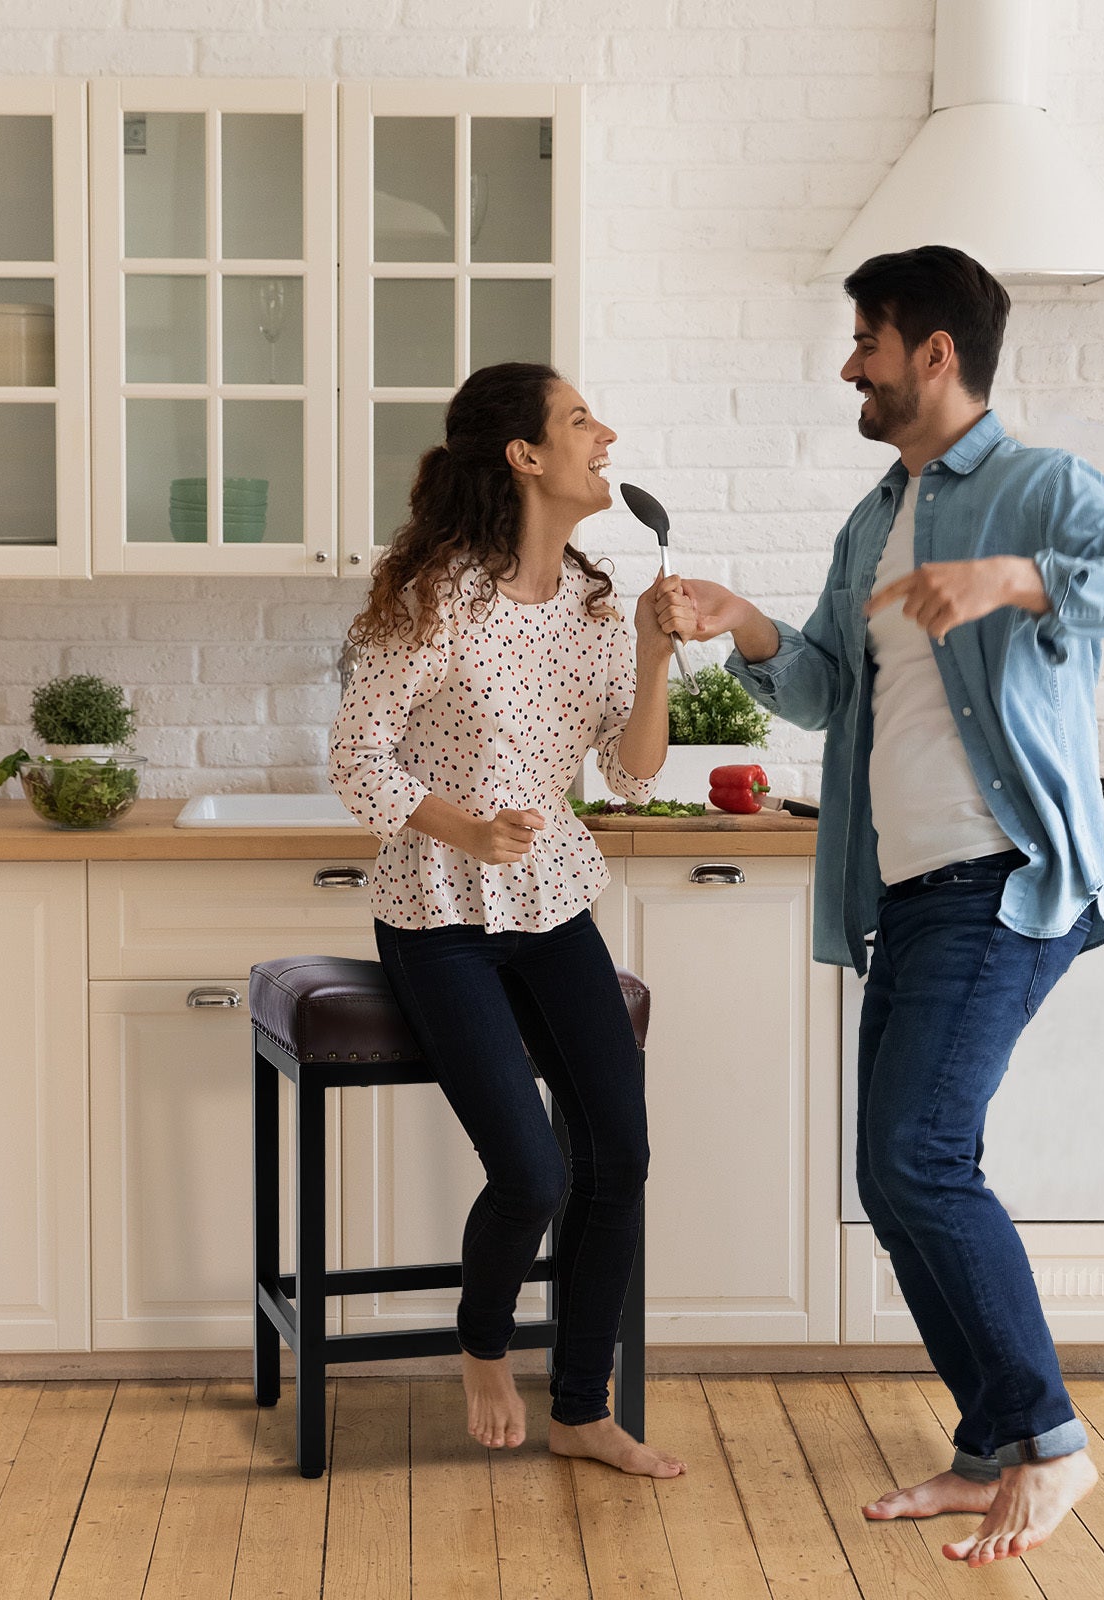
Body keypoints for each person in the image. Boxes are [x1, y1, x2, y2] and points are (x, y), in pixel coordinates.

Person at [664, 246, 1104, 1565]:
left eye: (868, 339)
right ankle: (983, 1449)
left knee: (918, 1159)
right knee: (893, 1174)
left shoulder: (1040, 486)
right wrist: (745, 626)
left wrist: (1015, 578)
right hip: (905, 887)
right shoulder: (875, 515)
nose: (851, 363)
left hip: (1000, 875)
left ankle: (1053, 1443)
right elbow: (829, 692)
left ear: (935, 352)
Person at [330, 361, 687, 1479]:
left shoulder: (590, 598)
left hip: (552, 902)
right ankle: (481, 1343)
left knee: (618, 1153)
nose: (606, 430)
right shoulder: (434, 594)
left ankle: (582, 1408)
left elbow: (630, 776)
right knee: (532, 1170)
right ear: (525, 457)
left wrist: (650, 646)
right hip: (435, 910)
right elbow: (354, 759)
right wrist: (461, 827)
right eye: (582, 417)